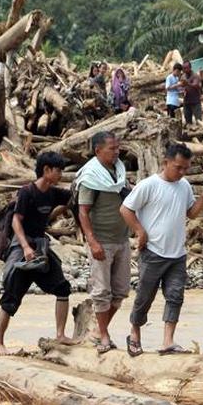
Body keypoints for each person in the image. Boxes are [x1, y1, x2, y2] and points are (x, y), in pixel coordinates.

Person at [120, 142, 203, 356]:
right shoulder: (149, 185)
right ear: (166, 163)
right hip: (153, 251)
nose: (182, 172)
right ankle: (135, 333)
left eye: (185, 168)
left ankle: (168, 340)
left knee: (175, 295)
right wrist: (139, 231)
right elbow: (125, 209)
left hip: (177, 253)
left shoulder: (185, 186)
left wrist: (202, 199)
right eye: (178, 167)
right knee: (145, 295)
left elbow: (190, 213)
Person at [0, 151, 78, 355]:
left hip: (41, 247)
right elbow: (16, 220)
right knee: (11, 296)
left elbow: (74, 198)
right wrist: (25, 247)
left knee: (62, 288)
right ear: (46, 170)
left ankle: (60, 334)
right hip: (23, 247)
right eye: (58, 170)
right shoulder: (27, 192)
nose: (60, 174)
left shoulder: (54, 193)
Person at [75, 130, 132, 354]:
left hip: (121, 238)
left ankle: (100, 330)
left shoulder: (118, 171)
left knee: (120, 291)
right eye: (112, 149)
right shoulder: (91, 176)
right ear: (98, 150)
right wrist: (92, 241)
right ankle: (104, 335)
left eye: (118, 148)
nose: (117, 152)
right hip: (102, 240)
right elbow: (83, 212)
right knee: (101, 291)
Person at [180, 61, 203, 125]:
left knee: (198, 120)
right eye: (184, 68)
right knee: (188, 120)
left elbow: (195, 85)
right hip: (186, 102)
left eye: (186, 68)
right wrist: (182, 89)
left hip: (195, 101)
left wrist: (187, 83)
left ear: (190, 67)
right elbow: (181, 86)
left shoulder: (195, 76)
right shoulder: (183, 76)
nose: (185, 70)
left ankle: (200, 133)